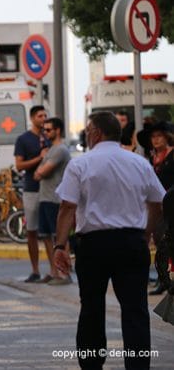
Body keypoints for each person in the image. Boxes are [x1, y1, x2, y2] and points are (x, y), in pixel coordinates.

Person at [53, 111, 164, 370]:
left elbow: (67, 207)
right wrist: (146, 234)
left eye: (88, 130)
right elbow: (157, 202)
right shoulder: (139, 163)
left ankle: (92, 365)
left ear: (96, 132)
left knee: (91, 308)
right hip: (132, 242)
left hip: (94, 245)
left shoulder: (81, 164)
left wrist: (60, 245)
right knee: (135, 310)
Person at [33, 117, 71, 285]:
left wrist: (41, 170)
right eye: (45, 130)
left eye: (49, 130)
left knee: (59, 237)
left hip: (55, 198)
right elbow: (36, 173)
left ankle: (64, 274)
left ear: (58, 131)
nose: (46, 133)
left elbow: (42, 172)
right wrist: (40, 170)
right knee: (46, 236)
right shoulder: (50, 150)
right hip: (45, 197)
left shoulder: (59, 150)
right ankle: (53, 271)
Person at [138, 121, 174, 295]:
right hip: (156, 205)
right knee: (160, 240)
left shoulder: (172, 155)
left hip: (171, 203)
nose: (156, 140)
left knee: (167, 241)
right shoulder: (153, 157)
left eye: (159, 136)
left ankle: (167, 279)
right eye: (153, 137)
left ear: (167, 137)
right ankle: (163, 279)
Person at [14, 105, 49, 282]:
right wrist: (39, 159)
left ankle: (55, 269)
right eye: (40, 116)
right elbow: (19, 165)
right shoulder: (23, 140)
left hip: (50, 190)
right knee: (32, 231)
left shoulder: (49, 137)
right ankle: (35, 270)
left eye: (45, 115)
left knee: (51, 232)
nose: (43, 119)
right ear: (33, 118)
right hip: (32, 189)